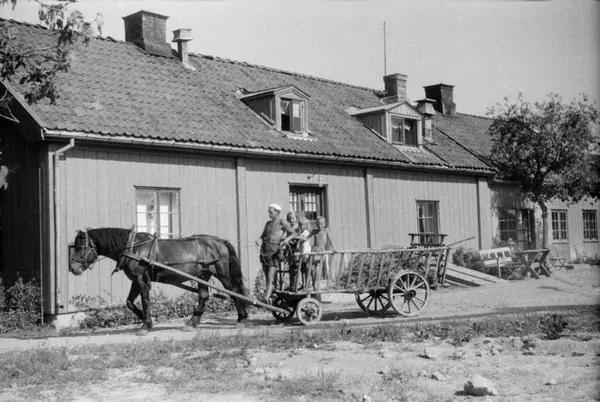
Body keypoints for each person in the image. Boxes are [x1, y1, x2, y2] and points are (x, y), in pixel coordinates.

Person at [255, 204, 295, 302]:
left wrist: (287, 239)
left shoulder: (282, 222)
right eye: (269, 212)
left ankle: (266, 298)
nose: (269, 214)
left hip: (275, 251)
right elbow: (263, 236)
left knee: (270, 276)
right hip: (265, 250)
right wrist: (259, 240)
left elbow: (294, 233)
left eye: (271, 212)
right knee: (266, 276)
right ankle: (270, 295)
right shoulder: (268, 223)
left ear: (277, 212)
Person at [303, 216, 334, 290]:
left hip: (321, 250)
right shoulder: (314, 231)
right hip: (314, 250)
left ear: (324, 224)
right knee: (309, 267)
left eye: (321, 224)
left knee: (317, 268)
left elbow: (330, 239)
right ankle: (312, 284)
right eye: (318, 224)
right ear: (316, 224)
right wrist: (300, 240)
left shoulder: (325, 230)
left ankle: (317, 285)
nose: (319, 226)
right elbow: (307, 237)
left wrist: (333, 248)